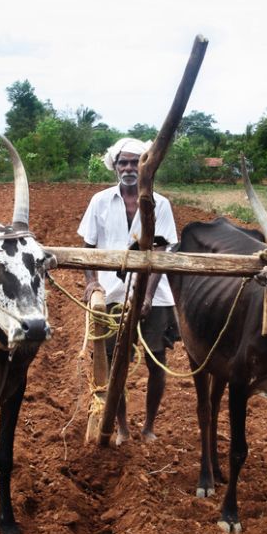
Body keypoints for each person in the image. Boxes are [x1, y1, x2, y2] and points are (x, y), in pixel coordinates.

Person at [77, 137, 179, 443]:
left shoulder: (161, 205)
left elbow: (162, 254)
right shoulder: (99, 201)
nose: (129, 167)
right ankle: (121, 426)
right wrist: (92, 281)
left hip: (155, 298)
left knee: (156, 359)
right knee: (113, 360)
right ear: (115, 167)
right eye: (123, 162)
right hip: (111, 295)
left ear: (145, 165)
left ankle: (148, 425)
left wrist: (146, 295)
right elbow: (87, 247)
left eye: (136, 162)